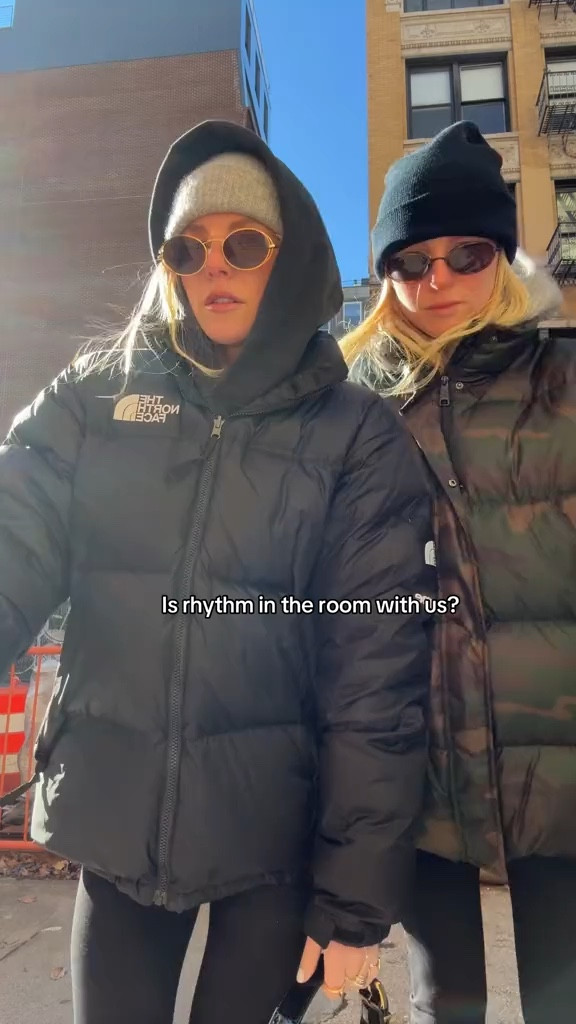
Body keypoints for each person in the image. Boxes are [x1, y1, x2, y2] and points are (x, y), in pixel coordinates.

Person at [0, 119, 435, 1024]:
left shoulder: (356, 435)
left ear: (289, 253)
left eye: (244, 242)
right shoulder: (93, 397)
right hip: (117, 824)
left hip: (273, 843)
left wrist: (355, 900)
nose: (214, 268)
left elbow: (376, 674)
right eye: (187, 248)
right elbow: (14, 537)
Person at [341, 120, 576, 1024]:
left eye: (465, 254)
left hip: (558, 762)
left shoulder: (564, 380)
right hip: (419, 764)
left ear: (502, 257)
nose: (436, 279)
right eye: (411, 260)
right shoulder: (357, 410)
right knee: (446, 1004)